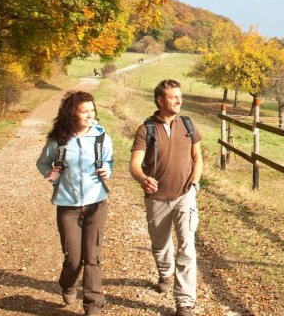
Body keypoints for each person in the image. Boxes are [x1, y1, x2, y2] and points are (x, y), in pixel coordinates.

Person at [36, 90, 113, 316]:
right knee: (73, 258)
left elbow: (109, 160)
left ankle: (93, 306)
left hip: (96, 204)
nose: (90, 115)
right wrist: (52, 177)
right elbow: (43, 164)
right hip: (67, 206)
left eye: (92, 110)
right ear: (72, 114)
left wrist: (107, 169)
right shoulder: (60, 140)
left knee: (92, 257)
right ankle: (67, 284)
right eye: (84, 111)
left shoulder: (101, 137)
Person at [130, 79, 203, 316]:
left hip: (185, 195)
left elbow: (197, 157)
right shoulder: (146, 129)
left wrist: (194, 183)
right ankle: (164, 273)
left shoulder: (188, 124)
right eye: (174, 97)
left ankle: (185, 302)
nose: (179, 100)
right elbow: (134, 165)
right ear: (160, 100)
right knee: (160, 245)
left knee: (187, 247)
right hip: (157, 198)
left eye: (180, 96)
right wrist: (142, 178)